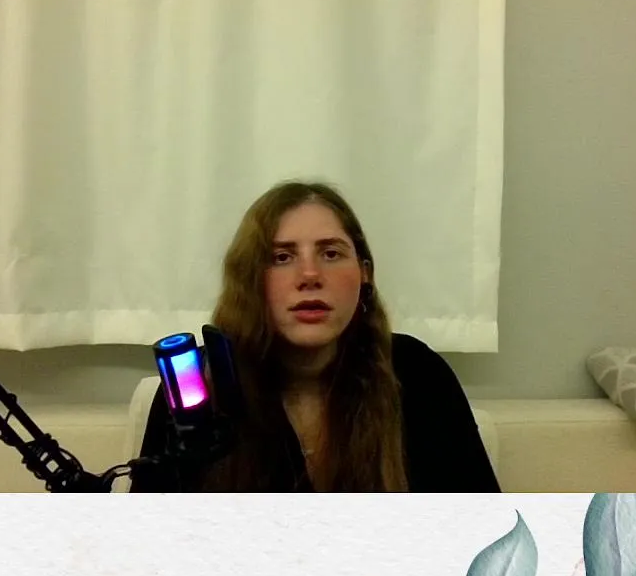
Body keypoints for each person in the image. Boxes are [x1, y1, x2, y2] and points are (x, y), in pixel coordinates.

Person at [130, 180, 500, 492]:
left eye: (331, 253)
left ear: (365, 273)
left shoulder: (419, 374)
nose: (309, 275)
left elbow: (482, 533)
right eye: (281, 257)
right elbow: (152, 547)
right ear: (250, 279)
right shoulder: (193, 385)